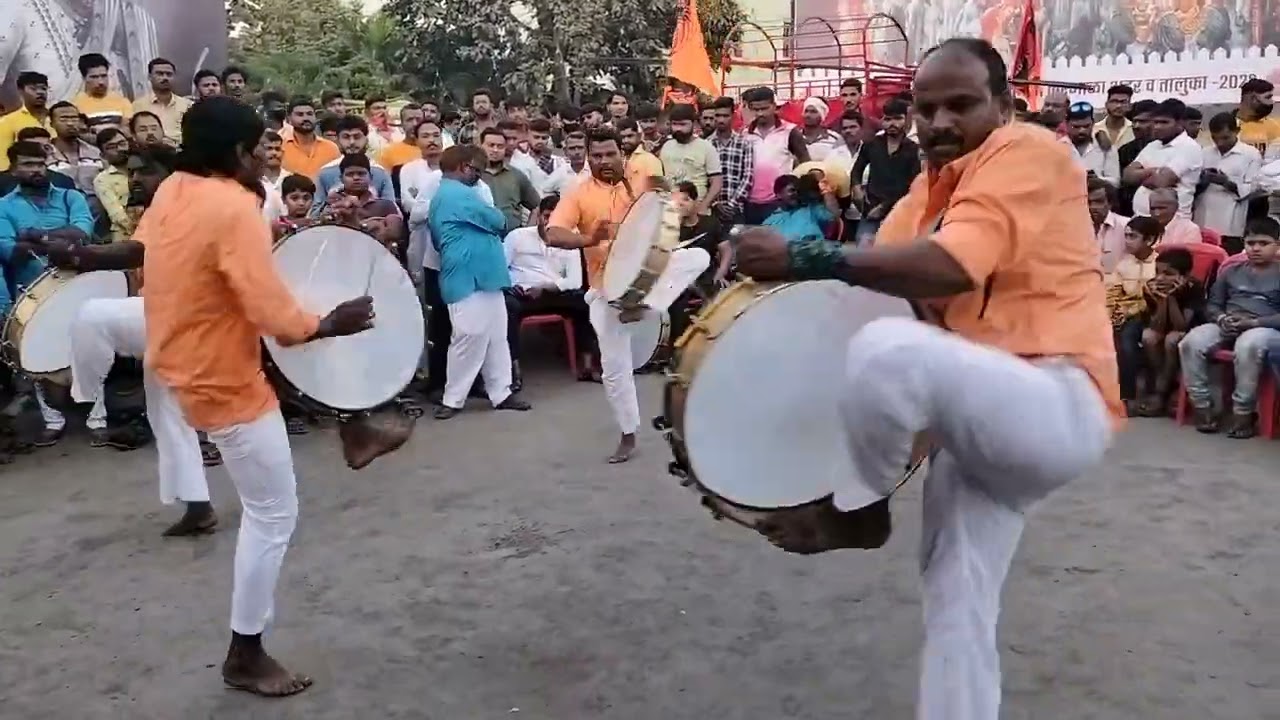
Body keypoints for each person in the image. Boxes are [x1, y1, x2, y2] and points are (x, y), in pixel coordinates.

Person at [731, 38, 1118, 720]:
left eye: (961, 105)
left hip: (1058, 403)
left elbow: (950, 268)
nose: (939, 123)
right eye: (925, 108)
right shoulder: (923, 192)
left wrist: (804, 255)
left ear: (1004, 106)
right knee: (956, 614)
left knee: (886, 351)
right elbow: (874, 303)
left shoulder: (1029, 151)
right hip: (973, 436)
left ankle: (860, 511)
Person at [545, 128, 709, 463]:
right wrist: (590, 239)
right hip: (606, 289)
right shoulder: (578, 193)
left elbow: (670, 204)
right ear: (587, 158)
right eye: (596, 156)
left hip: (649, 272)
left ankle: (646, 304)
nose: (604, 161)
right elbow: (554, 234)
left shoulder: (644, 178)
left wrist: (657, 210)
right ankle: (628, 433)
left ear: (623, 153)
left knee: (699, 256)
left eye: (610, 154)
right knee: (614, 368)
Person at [0, 139, 95, 446]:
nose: (37, 170)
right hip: (30, 295)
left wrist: (34, 236)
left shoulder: (70, 196)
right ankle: (53, 420)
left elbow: (83, 232)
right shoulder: (3, 206)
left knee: (91, 351)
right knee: (37, 356)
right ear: (13, 170)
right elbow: (10, 251)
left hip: (78, 286)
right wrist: (56, 241)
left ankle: (98, 416)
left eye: (41, 164)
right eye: (28, 164)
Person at [428, 145, 532, 419]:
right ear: (464, 167)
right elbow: (498, 220)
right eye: (477, 170)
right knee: (469, 335)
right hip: (466, 275)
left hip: (484, 275)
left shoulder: (454, 192)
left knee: (497, 336)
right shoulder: (456, 193)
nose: (479, 176)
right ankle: (453, 398)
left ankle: (501, 392)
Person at [404, 121, 494, 398]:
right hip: (438, 264)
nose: (474, 174)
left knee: (472, 327)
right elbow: (416, 216)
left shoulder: (482, 188)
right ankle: (438, 382)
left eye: (478, 170)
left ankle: (473, 382)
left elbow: (491, 220)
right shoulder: (435, 182)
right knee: (441, 325)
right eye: (471, 168)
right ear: (460, 167)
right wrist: (448, 207)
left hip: (472, 266)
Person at [1178, 216, 1280, 438]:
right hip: (1229, 322)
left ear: (1277, 245)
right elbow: (1213, 304)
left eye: (1263, 243)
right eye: (1250, 243)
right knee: (1191, 342)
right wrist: (1221, 317)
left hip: (1264, 327)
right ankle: (1202, 407)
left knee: (1248, 346)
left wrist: (1254, 322)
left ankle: (1243, 413)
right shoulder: (1231, 271)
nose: (1256, 248)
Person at [504, 194, 596, 387]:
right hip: (522, 294)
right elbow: (501, 270)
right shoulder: (517, 237)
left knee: (586, 301)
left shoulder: (569, 240)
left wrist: (545, 288)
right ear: (538, 215)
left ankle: (588, 366)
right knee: (506, 306)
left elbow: (575, 281)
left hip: (554, 294)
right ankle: (513, 370)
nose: (550, 223)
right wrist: (517, 286)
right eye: (547, 216)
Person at [1137, 247, 1204, 417]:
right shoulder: (1152, 287)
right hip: (1164, 328)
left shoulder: (1194, 288)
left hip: (1189, 330)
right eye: (1157, 272)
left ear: (1184, 275)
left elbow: (1181, 325)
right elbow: (1156, 326)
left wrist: (1172, 298)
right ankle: (1165, 384)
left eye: (1168, 274)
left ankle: (1161, 392)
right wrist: (1161, 300)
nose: (1160, 278)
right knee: (1148, 337)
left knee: (1172, 339)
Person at [1106, 216, 1162, 415]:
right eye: (1126, 236)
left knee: (1128, 342)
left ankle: (1132, 395)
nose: (1127, 241)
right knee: (1120, 339)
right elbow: (1112, 292)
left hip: (1154, 314)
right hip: (1128, 314)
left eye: (1133, 236)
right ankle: (1121, 394)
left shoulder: (1160, 263)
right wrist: (1111, 314)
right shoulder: (1123, 264)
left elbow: (1156, 296)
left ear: (1149, 240)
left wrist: (1130, 309)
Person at [850, 97, 920, 244]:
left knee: (894, 251)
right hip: (871, 208)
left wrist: (884, 207)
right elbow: (856, 170)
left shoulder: (913, 149)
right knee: (864, 248)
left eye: (897, 118)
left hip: (900, 210)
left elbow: (912, 184)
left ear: (906, 120)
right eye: (888, 119)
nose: (892, 123)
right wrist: (856, 189)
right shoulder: (872, 144)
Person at [1194, 112, 1261, 255]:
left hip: (1231, 223)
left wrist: (1226, 182)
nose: (1220, 143)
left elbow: (1253, 188)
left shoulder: (1250, 154)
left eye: (1225, 138)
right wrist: (1204, 179)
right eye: (1215, 138)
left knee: (1228, 258)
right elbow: (1192, 184)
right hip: (1202, 218)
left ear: (1236, 131)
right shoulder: (1204, 153)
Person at [741, 86, 810, 224]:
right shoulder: (744, 134)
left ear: (774, 106)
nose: (760, 113)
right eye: (756, 109)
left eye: (764, 108)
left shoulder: (790, 131)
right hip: (750, 202)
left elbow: (806, 164)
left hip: (779, 201)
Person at [1125, 99, 1202, 219]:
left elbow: (1160, 182)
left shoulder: (1189, 147)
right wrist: (1153, 171)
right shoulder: (1153, 145)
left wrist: (1141, 175)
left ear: (1180, 123)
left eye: (1164, 122)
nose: (1158, 127)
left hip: (1173, 220)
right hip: (1141, 218)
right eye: (1155, 122)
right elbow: (1127, 176)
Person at [312, 115, 396, 214]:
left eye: (357, 137)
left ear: (366, 139)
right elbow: (315, 212)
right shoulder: (326, 172)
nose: (352, 142)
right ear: (338, 140)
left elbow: (392, 210)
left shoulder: (379, 172)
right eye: (346, 137)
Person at [319, 154, 404, 249]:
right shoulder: (333, 205)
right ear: (341, 179)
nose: (356, 178)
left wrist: (358, 225)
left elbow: (394, 234)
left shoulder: (386, 205)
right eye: (350, 174)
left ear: (371, 177)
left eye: (361, 174)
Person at [660, 104, 723, 215]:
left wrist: (703, 206)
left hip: (696, 211)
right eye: (675, 124)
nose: (678, 129)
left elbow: (717, 182)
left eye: (683, 124)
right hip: (670, 210)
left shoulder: (706, 147)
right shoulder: (666, 146)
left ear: (694, 124)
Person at [478, 127, 539, 233]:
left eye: (500, 146)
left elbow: (537, 206)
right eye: (491, 145)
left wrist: (527, 231)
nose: (495, 150)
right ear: (480, 146)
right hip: (480, 234)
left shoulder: (516, 175)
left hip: (512, 235)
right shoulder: (472, 175)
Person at [707, 96, 754, 226]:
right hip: (712, 209)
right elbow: (704, 178)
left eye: (725, 116)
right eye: (718, 116)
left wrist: (731, 204)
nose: (721, 120)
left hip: (736, 209)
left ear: (733, 116)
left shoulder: (744, 143)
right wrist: (715, 203)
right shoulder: (706, 144)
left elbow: (748, 177)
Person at [0, 72, 53, 172]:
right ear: (21, 91)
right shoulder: (7, 121)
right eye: (33, 89)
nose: (40, 92)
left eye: (43, 88)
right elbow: (3, 158)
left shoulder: (57, 118)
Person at [131, 58, 191, 145]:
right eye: (160, 74)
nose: (165, 78)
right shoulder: (138, 106)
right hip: (150, 150)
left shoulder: (187, 105)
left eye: (169, 74)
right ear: (149, 77)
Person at [509, 118, 575, 196]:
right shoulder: (517, 156)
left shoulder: (557, 161)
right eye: (536, 137)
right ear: (528, 135)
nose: (540, 141)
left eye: (544, 138)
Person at [762, 174, 838, 242]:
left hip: (813, 250)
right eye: (792, 190)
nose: (796, 193)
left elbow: (833, 216)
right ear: (779, 195)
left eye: (798, 190)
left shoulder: (811, 209)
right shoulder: (771, 221)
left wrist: (825, 190)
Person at [280, 98, 341, 180]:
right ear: (289, 118)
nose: (306, 118)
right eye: (300, 114)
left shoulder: (331, 148)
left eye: (309, 114)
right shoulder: (281, 147)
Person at [73, 54, 134, 133]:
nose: (101, 82)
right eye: (94, 77)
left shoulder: (122, 101)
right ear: (84, 78)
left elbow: (128, 129)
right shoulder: (76, 105)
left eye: (104, 76)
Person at [1063, 101, 1119, 185]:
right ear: (1066, 124)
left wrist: (1097, 181)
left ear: (1093, 123)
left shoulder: (1106, 147)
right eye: (1076, 127)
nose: (1082, 131)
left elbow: (1115, 182)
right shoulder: (1057, 147)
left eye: (1086, 126)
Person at [94, 128, 134, 242]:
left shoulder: (143, 169)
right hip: (125, 234)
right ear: (103, 155)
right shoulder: (102, 179)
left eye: (122, 143)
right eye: (112, 147)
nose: (120, 149)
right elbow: (116, 214)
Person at [1088, 175, 1128, 272]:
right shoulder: (1073, 229)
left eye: (1098, 201)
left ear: (1110, 203)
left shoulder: (1126, 225)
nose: (1092, 207)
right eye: (1088, 202)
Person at [377, 103, 425, 172]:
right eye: (409, 120)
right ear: (402, 124)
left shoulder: (434, 150)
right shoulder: (389, 152)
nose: (415, 124)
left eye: (418, 120)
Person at [1095, 84, 1134, 148]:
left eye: (1123, 102)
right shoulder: (1094, 129)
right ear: (1106, 104)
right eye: (1114, 101)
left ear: (1129, 106)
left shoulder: (1134, 130)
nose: (1119, 106)